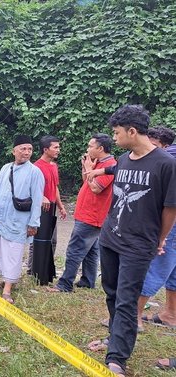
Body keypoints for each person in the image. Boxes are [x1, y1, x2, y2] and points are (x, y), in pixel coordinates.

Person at [85, 105, 176, 377]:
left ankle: (117, 357)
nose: (114, 138)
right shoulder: (124, 160)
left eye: (116, 133)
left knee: (127, 299)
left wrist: (159, 239)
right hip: (111, 238)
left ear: (132, 131)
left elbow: (170, 208)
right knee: (111, 293)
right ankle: (115, 338)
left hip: (139, 245)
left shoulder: (166, 164)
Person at [48, 134, 116, 293]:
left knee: (75, 249)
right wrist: (86, 168)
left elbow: (96, 188)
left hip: (91, 216)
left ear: (100, 148)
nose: (87, 149)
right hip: (88, 213)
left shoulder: (110, 166)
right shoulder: (97, 163)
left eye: (90, 146)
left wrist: (89, 169)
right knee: (92, 251)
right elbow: (87, 182)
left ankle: (65, 284)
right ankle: (88, 281)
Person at [0, 135, 45, 304]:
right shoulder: (6, 168)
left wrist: (34, 222)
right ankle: (5, 279)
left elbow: (37, 198)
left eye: (30, 149)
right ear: (14, 151)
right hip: (2, 217)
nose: (26, 153)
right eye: (23, 149)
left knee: (13, 252)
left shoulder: (35, 172)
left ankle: (7, 290)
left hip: (19, 220)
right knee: (1, 250)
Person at [136, 127, 176, 331]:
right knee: (173, 268)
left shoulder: (168, 157)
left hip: (171, 223)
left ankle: (134, 316)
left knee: (157, 265)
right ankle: (171, 313)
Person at [30, 135, 67, 286]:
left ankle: (47, 269)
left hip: (51, 207)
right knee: (37, 240)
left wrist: (61, 206)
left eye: (58, 147)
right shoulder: (36, 167)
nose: (58, 150)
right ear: (45, 149)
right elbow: (31, 189)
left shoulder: (53, 165)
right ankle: (33, 270)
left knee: (53, 240)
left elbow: (55, 187)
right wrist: (41, 197)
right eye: (55, 147)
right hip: (40, 208)